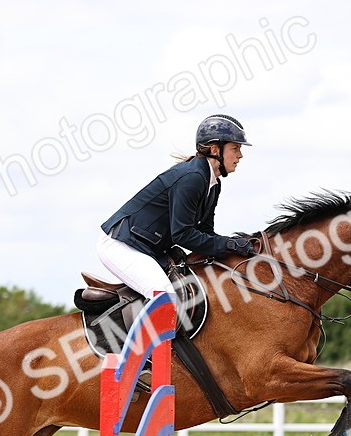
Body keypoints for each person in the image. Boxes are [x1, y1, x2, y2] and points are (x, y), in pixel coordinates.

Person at [99, 114, 256, 298]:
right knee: (165, 297)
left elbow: (205, 232)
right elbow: (182, 234)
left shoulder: (213, 184)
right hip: (122, 245)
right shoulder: (193, 178)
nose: (240, 155)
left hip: (145, 248)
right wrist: (228, 244)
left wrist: (235, 246)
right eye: (235, 148)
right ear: (215, 149)